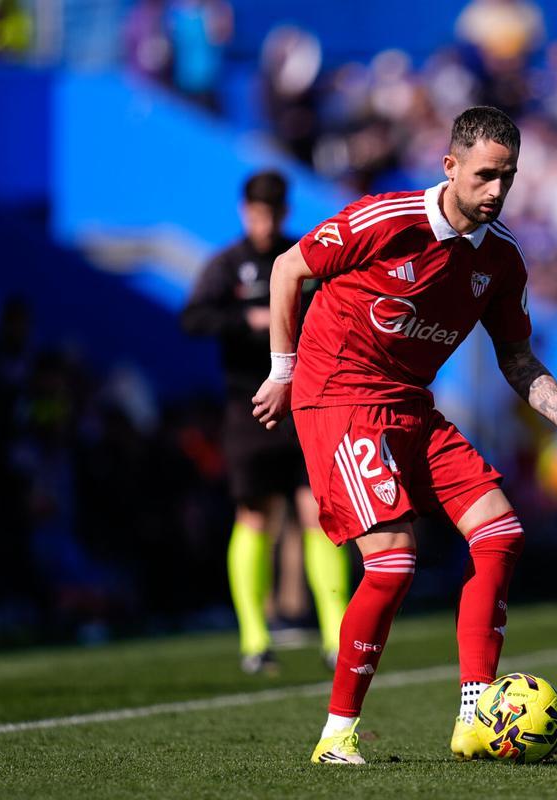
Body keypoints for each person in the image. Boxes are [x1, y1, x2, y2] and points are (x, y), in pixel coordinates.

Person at [251, 106, 557, 764]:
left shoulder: (502, 260)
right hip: (338, 395)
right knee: (394, 561)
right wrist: (282, 372)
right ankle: (337, 735)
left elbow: (518, 359)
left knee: (500, 532)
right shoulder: (385, 221)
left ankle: (474, 715)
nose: (496, 191)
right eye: (485, 175)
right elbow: (289, 269)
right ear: (450, 166)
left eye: (507, 178)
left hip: (408, 406)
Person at [182, 170, 349, 674]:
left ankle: (337, 638)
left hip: (306, 407)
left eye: (272, 213)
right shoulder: (227, 266)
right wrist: (246, 320)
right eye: (256, 213)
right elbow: (192, 319)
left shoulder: (301, 258)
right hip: (248, 410)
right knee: (255, 515)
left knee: (319, 512)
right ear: (244, 211)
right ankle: (255, 640)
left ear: (283, 213)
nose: (264, 222)